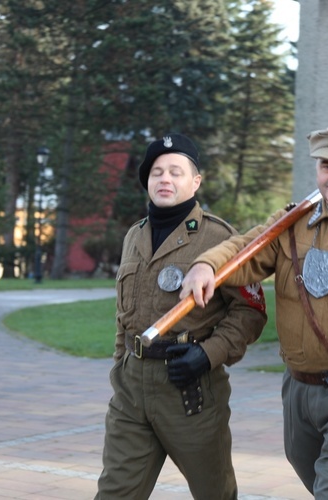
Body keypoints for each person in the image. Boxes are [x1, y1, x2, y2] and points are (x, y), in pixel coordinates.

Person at [180, 125, 328, 498]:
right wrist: (206, 265)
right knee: (319, 483)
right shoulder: (292, 223)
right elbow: (245, 251)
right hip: (299, 389)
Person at [95, 133, 267, 500]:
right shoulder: (134, 236)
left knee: (214, 493)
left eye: (176, 171)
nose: (165, 180)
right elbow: (123, 317)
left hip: (191, 390)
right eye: (157, 172)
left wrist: (209, 355)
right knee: (115, 492)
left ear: (196, 181)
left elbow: (250, 312)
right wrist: (119, 368)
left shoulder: (218, 238)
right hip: (131, 391)